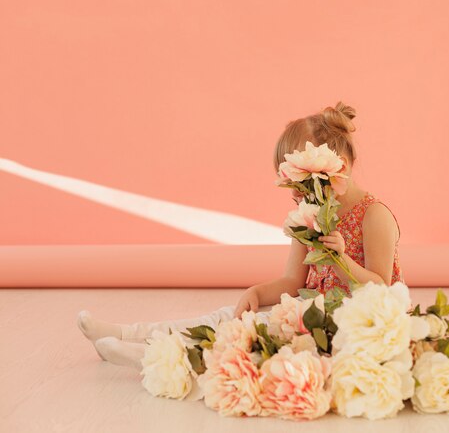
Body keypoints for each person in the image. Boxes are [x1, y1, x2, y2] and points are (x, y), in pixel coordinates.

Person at [76, 101, 404, 370]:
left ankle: (156, 358)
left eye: (303, 186)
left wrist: (342, 259)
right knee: (226, 318)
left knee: (252, 345)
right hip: (307, 313)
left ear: (340, 168)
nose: (298, 198)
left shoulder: (374, 216)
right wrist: (259, 292)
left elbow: (382, 289)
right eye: (293, 188)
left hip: (351, 328)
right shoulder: (314, 214)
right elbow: (293, 281)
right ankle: (127, 334)